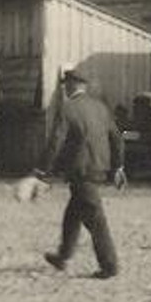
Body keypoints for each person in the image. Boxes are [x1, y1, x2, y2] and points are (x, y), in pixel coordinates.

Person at [36, 69, 126, 279]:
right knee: (73, 214)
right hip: (98, 167)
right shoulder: (100, 107)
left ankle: (109, 265)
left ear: (71, 85)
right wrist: (118, 167)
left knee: (95, 219)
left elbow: (56, 141)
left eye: (66, 85)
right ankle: (63, 256)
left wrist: (42, 169)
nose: (65, 88)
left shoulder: (68, 108)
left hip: (80, 170)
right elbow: (116, 138)